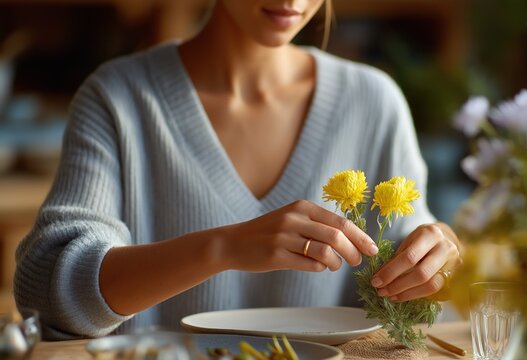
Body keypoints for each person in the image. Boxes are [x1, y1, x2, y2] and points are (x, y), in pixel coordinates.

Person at [14, 0, 462, 339]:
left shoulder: (374, 102)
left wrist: (442, 260)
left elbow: (415, 290)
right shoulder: (119, 98)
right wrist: (224, 246)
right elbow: (47, 292)